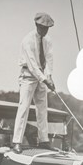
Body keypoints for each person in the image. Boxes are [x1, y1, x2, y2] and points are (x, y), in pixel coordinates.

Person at [12, 12, 55, 153]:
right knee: (23, 108)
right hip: (28, 76)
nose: (45, 30)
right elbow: (32, 64)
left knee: (42, 109)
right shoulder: (27, 40)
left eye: (47, 27)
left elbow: (49, 59)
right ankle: (17, 141)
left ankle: (44, 140)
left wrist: (49, 76)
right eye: (43, 27)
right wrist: (44, 79)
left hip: (41, 75)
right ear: (37, 25)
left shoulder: (48, 40)